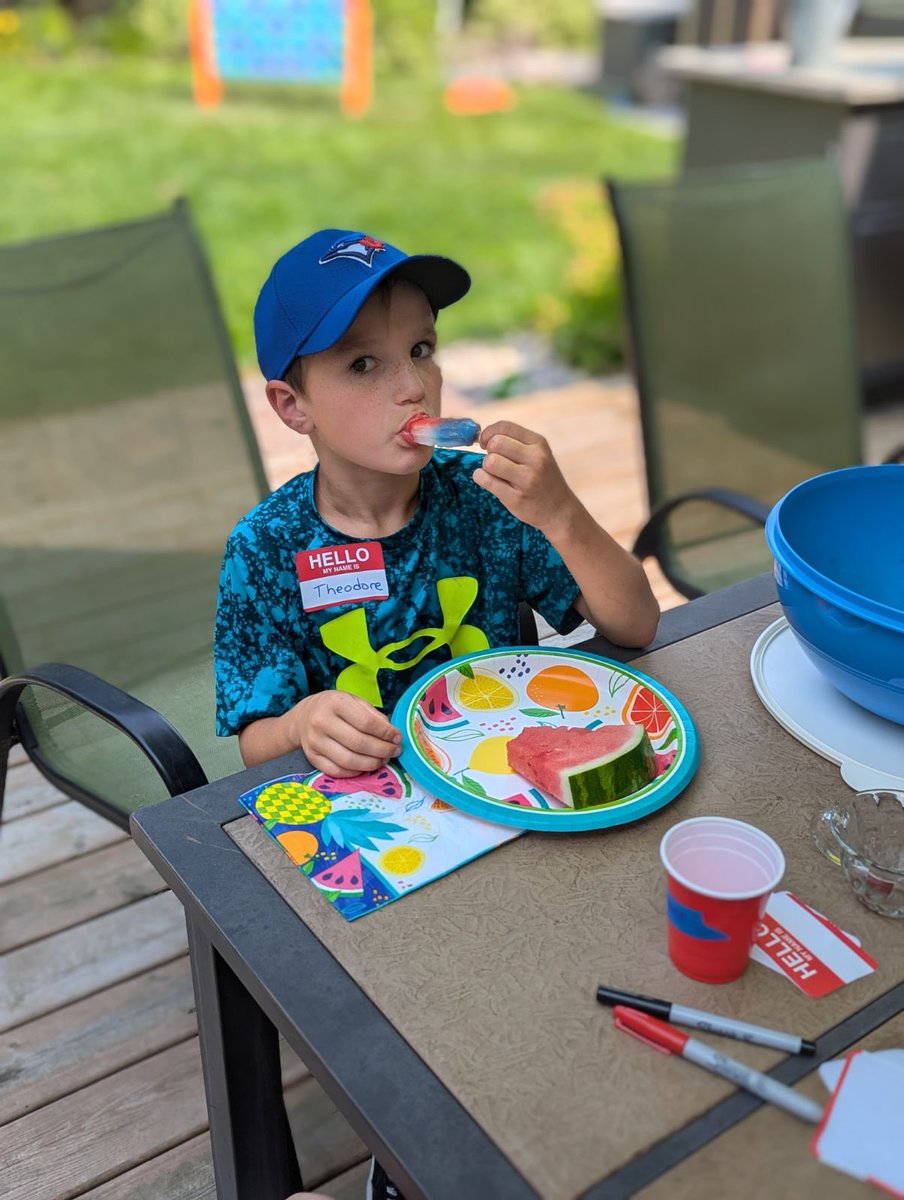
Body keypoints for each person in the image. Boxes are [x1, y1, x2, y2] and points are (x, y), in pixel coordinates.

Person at [214, 228, 659, 1200]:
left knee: (582, 979)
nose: (412, 385)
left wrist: (563, 514)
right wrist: (301, 726)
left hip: (518, 805)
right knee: (429, 1019)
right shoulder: (264, 550)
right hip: (377, 836)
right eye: (364, 364)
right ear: (293, 406)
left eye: (421, 349)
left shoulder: (484, 504)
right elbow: (253, 741)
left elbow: (633, 626)